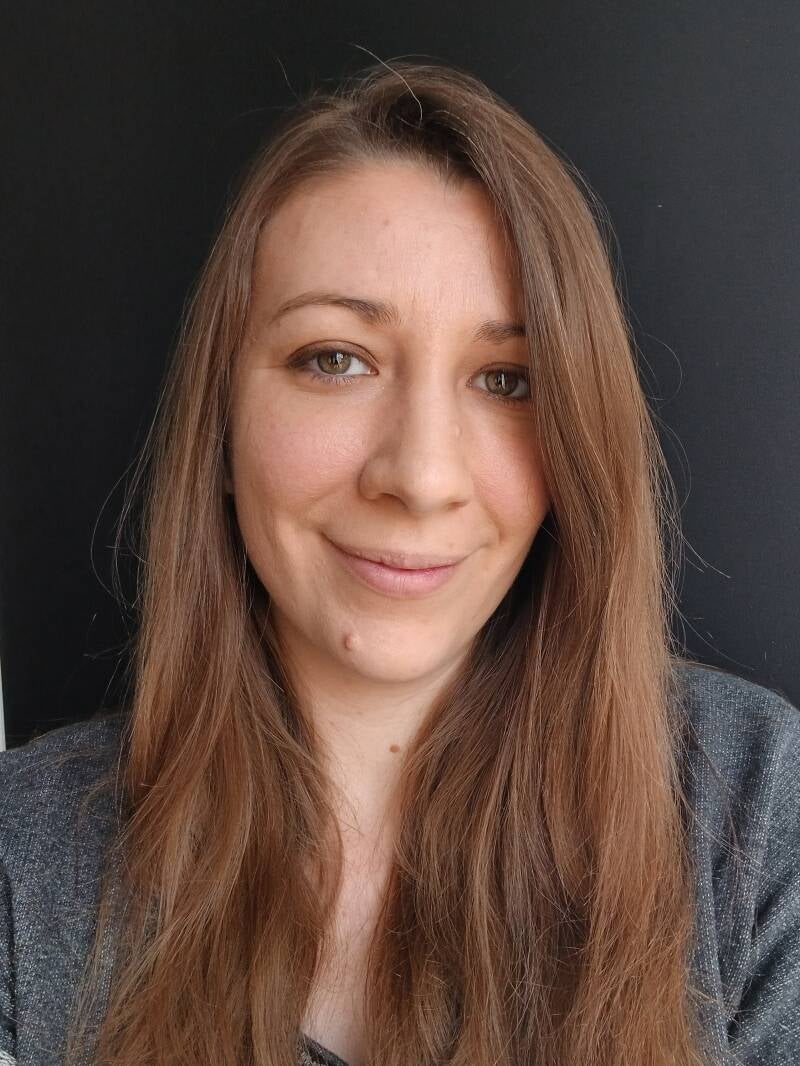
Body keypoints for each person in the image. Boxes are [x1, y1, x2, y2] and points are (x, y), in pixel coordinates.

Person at [1, 59, 798, 1066]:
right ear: (222, 424)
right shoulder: (22, 864)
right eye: (335, 359)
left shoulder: (751, 809)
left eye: (505, 379)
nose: (420, 476)